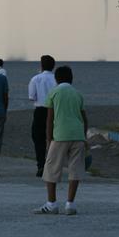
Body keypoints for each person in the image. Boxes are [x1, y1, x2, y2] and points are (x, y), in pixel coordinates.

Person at [34, 66, 88, 216]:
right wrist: (84, 136)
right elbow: (84, 119)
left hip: (60, 135)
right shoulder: (78, 94)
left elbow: (49, 119)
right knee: (75, 169)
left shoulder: (54, 93)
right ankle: (70, 204)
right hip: (78, 135)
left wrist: (48, 139)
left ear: (57, 79)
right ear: (71, 78)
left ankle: (51, 203)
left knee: (51, 168)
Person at [28, 55, 56, 177]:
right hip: (54, 110)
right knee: (53, 138)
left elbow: (32, 96)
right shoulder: (56, 79)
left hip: (40, 110)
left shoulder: (35, 79)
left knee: (38, 138)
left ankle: (41, 165)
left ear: (41, 65)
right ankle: (52, 164)